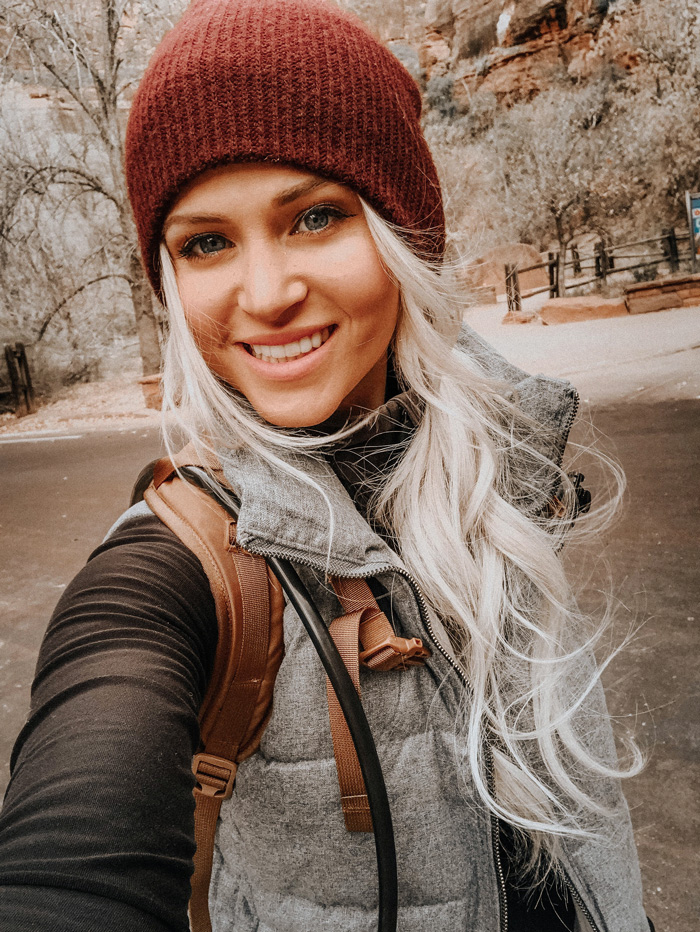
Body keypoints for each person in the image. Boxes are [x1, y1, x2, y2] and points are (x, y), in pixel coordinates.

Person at [0, 1, 652, 930]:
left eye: (314, 215)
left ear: (402, 236)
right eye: (207, 242)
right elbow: (73, 840)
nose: (266, 295)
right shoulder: (177, 566)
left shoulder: (502, 460)